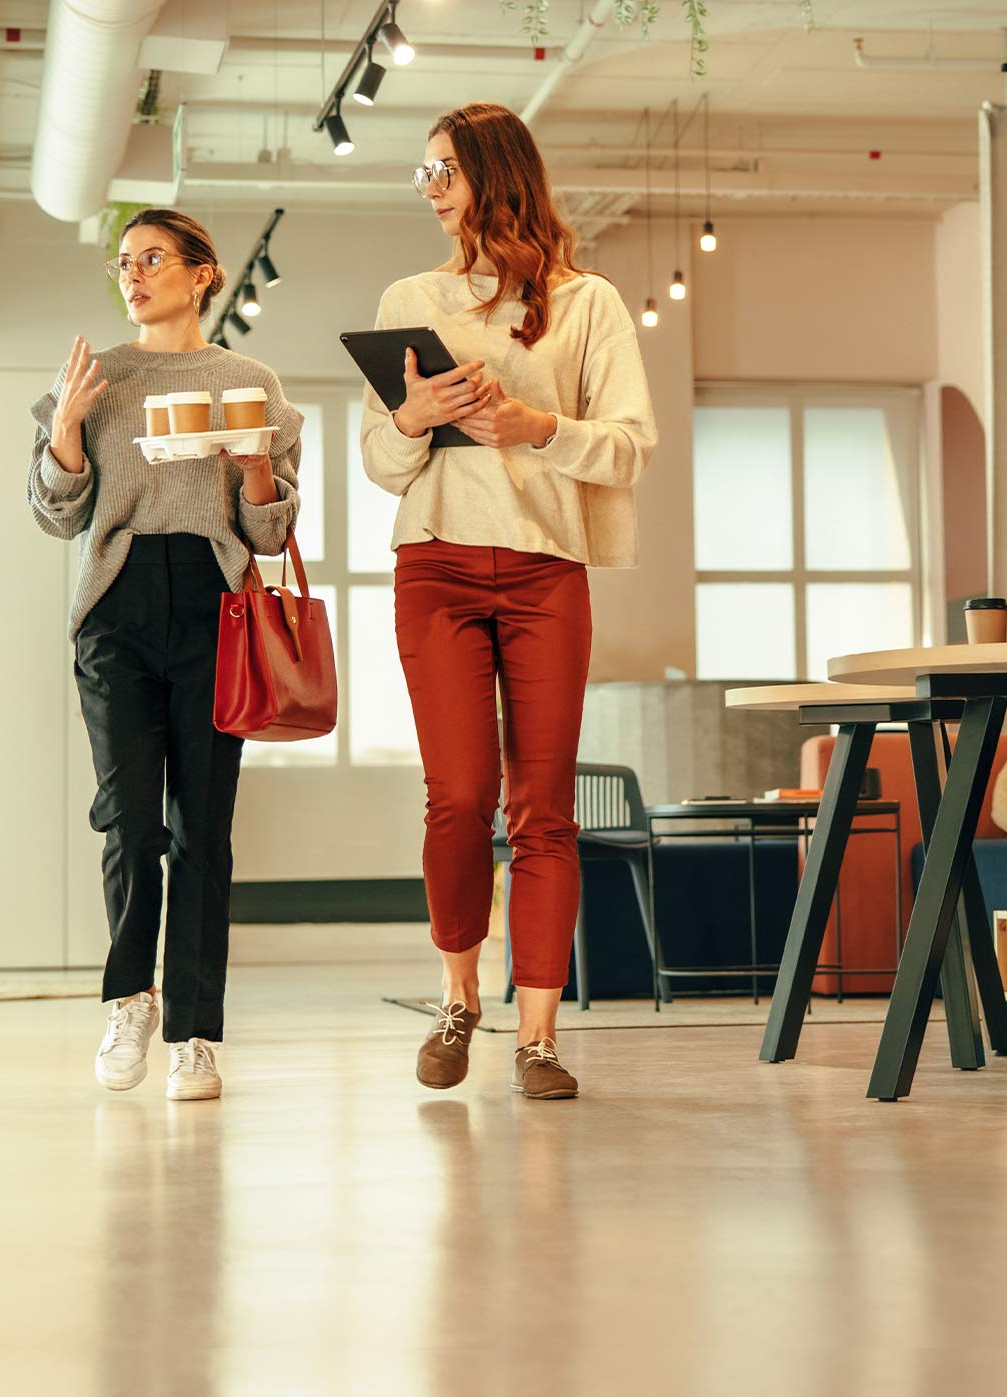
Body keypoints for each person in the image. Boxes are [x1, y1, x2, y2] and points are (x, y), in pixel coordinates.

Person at [362, 102, 657, 1100]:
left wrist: (537, 427)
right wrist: (409, 417)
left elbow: (628, 445)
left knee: (544, 811)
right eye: (424, 175)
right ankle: (457, 998)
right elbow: (377, 459)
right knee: (456, 799)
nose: (432, 191)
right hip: (435, 564)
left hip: (542, 571)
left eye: (443, 171)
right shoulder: (409, 295)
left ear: (494, 176)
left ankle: (537, 1037)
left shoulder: (587, 304)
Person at [30, 209, 301, 1103]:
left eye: (152, 260)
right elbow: (57, 514)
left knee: (204, 832)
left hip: (218, 604)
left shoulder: (249, 380)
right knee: (131, 821)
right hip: (117, 603)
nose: (133, 275)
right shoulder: (96, 379)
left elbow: (272, 529)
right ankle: (129, 997)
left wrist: (255, 460)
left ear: (202, 273)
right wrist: (66, 429)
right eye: (123, 263)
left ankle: (194, 1031)